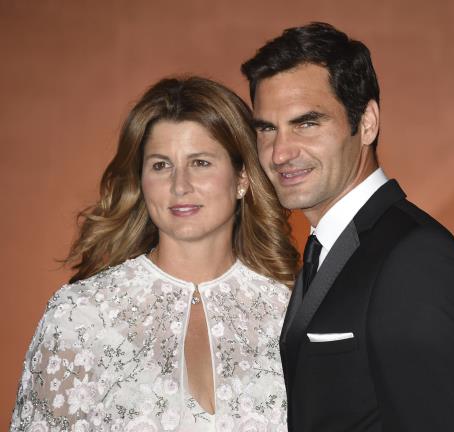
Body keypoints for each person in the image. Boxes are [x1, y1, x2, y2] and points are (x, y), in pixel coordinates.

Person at [11, 76, 298, 431]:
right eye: (161, 165)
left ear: (242, 178)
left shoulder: (290, 313)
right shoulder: (81, 317)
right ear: (142, 182)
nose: (180, 185)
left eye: (200, 162)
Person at [241, 22, 454, 431]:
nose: (279, 153)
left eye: (306, 123)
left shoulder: (415, 259)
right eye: (267, 129)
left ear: (367, 123)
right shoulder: (326, 250)